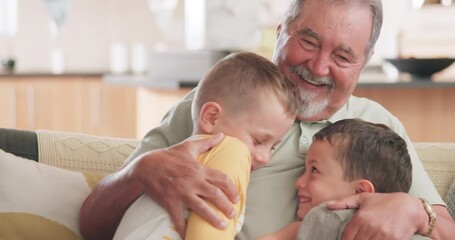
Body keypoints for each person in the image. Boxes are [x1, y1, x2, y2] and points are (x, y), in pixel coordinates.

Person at [80, 0, 455, 239]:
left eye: (342, 57)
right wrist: (142, 171)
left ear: (362, 64)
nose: (319, 66)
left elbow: (447, 230)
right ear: (279, 34)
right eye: (307, 41)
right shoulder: (223, 104)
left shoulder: (379, 125)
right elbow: (91, 223)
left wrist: (414, 209)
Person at [112, 51, 298, 239]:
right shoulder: (232, 152)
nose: (265, 157)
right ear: (211, 117)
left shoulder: (172, 161)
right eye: (258, 141)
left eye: (272, 147)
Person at [256, 118, 422, 239]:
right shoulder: (307, 227)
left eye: (314, 170)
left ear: (360, 191)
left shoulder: (404, 231)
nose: (298, 182)